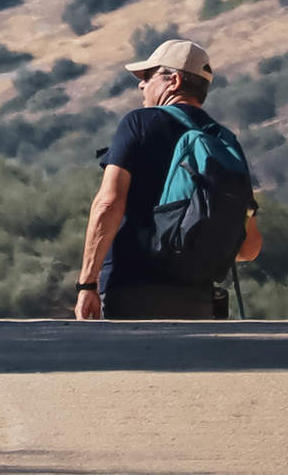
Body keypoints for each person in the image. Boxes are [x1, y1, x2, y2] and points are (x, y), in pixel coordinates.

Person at [75, 38, 263, 320]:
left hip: (130, 291)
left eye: (148, 76)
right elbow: (250, 247)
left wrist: (87, 283)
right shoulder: (223, 142)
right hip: (197, 299)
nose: (141, 85)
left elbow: (108, 204)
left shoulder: (138, 123)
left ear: (173, 80)